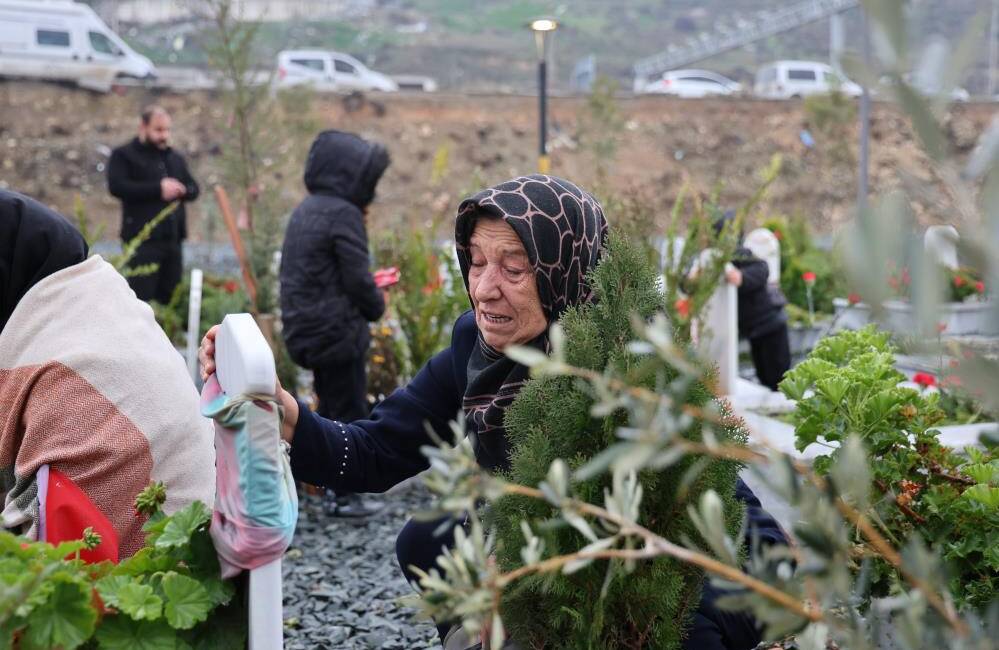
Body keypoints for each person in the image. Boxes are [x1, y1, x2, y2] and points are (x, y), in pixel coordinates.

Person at [201, 175, 787, 649]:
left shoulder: (627, 363)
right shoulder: (475, 348)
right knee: (428, 542)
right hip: (533, 558)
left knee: (693, 617)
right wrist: (286, 413)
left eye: (513, 267)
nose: (483, 288)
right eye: (476, 262)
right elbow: (376, 451)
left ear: (566, 269)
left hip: (641, 571)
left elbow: (721, 507)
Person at [0, 189, 215, 561]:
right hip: (191, 541)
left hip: (140, 579)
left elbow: (40, 565)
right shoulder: (91, 305)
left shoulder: (64, 366)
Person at [279, 129, 389, 518]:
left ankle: (323, 484)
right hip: (337, 334)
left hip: (304, 329)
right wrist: (378, 304)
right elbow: (358, 279)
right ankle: (344, 495)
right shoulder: (343, 213)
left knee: (326, 407)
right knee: (348, 408)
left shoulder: (306, 209)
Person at [107, 105, 199, 304]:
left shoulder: (174, 158)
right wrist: (158, 189)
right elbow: (117, 187)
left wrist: (181, 190)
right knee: (141, 300)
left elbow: (194, 189)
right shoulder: (124, 155)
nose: (164, 135)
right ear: (143, 127)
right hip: (142, 240)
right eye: (158, 130)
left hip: (173, 240)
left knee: (171, 299)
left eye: (167, 130)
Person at [716, 212, 791, 391]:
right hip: (754, 330)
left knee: (778, 379)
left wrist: (741, 277)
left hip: (771, 325)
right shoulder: (715, 258)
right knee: (765, 378)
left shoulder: (741, 255)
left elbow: (762, 268)